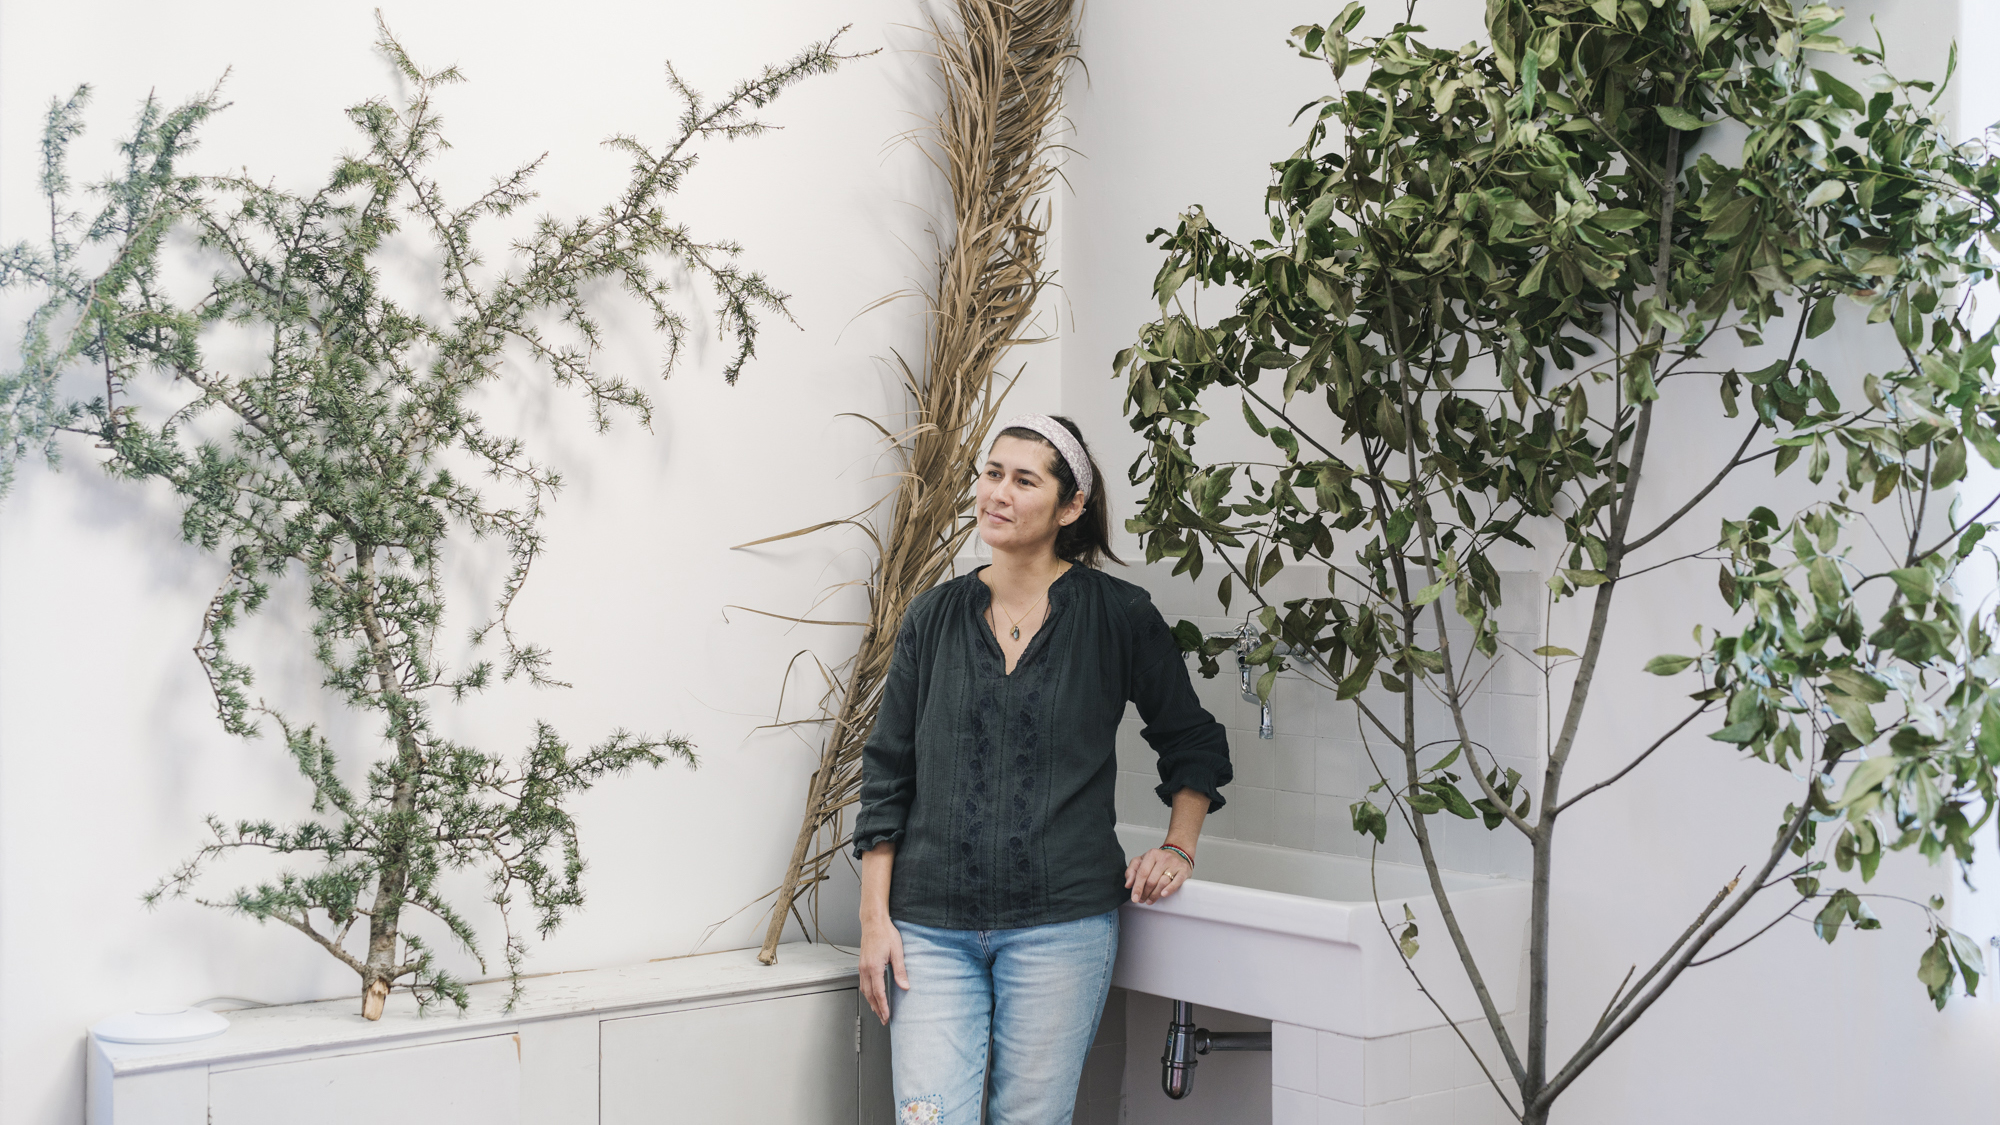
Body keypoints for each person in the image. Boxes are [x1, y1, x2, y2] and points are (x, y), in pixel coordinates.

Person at [852, 413, 1231, 1125]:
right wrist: (876, 917)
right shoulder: (933, 614)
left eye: (1024, 479)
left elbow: (1192, 741)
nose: (998, 491)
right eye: (992, 473)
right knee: (928, 1118)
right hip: (929, 928)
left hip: (1061, 929)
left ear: (1070, 506)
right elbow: (887, 771)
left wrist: (1180, 844)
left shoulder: (1119, 614)